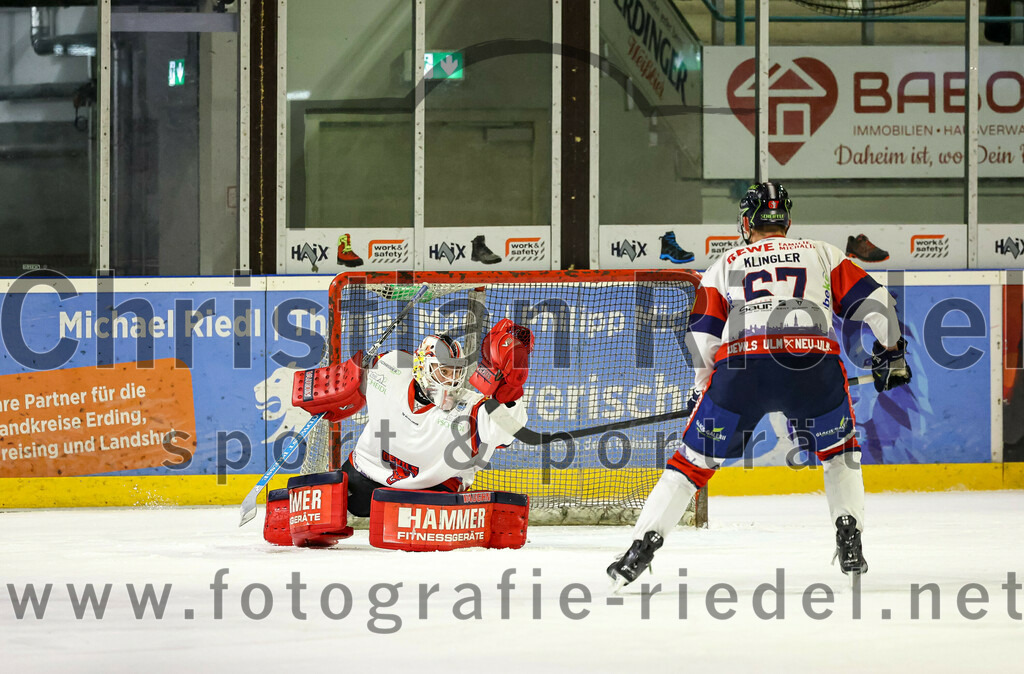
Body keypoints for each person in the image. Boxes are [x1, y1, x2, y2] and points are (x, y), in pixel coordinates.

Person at [607, 182, 912, 587]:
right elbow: (879, 304)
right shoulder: (821, 253)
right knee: (840, 456)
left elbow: (701, 336)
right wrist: (892, 351)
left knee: (689, 468)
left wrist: (703, 388)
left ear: (747, 223)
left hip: (742, 370)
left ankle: (639, 550)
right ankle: (850, 538)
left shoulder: (726, 262)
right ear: (786, 221)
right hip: (813, 365)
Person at [338, 320, 533, 517]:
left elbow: (506, 432)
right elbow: (355, 378)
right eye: (444, 371)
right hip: (366, 477)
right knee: (336, 494)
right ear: (421, 367)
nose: (451, 380)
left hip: (432, 491)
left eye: (456, 372)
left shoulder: (470, 407)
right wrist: (341, 385)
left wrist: (510, 391)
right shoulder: (391, 369)